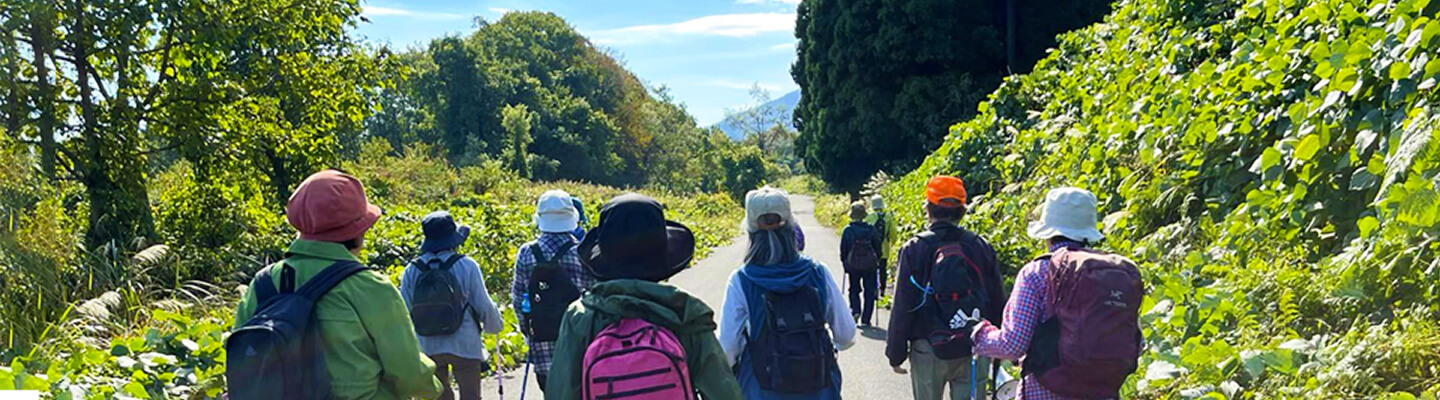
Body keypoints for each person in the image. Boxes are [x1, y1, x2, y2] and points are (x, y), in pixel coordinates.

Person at [231, 169, 442, 400]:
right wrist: (433, 387)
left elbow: (241, 358)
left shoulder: (262, 283)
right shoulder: (370, 286)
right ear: (358, 230)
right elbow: (407, 371)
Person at [546, 193, 742, 400]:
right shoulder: (685, 313)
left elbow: (561, 392)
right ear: (663, 257)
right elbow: (723, 392)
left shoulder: (581, 317)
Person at [970, 187, 1144, 400]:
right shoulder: (1113, 274)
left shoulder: (1036, 272)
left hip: (1046, 392)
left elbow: (1013, 345)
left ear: (1048, 232)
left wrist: (979, 336)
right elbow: (1136, 342)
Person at [719, 187, 856, 399]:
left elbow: (727, 351)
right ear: (792, 225)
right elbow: (846, 335)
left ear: (750, 229)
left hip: (762, 391)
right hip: (819, 390)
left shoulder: (741, 281)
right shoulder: (818, 272)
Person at [886, 176, 1006, 400]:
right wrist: (999, 350)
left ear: (928, 207)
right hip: (974, 346)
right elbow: (997, 299)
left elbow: (903, 304)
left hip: (928, 347)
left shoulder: (915, 247)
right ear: (962, 210)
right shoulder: (980, 246)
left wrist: (896, 353)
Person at [400, 211, 504, 400]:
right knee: (471, 396)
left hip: (428, 343)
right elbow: (483, 304)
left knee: (440, 395)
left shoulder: (411, 270)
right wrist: (494, 326)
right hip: (464, 342)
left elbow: (404, 311)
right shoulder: (467, 265)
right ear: (453, 239)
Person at [510, 190, 595, 391]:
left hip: (542, 339)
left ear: (540, 218)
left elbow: (518, 299)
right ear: (571, 217)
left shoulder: (527, 252)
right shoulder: (583, 251)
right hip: (578, 340)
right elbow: (594, 296)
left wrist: (528, 330)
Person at [841, 201, 883, 327]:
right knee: (869, 291)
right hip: (870, 265)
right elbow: (878, 248)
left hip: (853, 264)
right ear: (864, 215)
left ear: (852, 215)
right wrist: (877, 261)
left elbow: (843, 249)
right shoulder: (871, 229)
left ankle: (855, 311)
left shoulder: (848, 230)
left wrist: (845, 264)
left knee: (854, 289)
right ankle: (866, 318)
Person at [865, 195, 894, 294]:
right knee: (883, 269)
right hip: (884, 248)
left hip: (871, 248)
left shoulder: (869, 217)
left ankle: (873, 289)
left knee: (872, 269)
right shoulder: (888, 217)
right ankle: (882, 288)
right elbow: (893, 233)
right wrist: (892, 243)